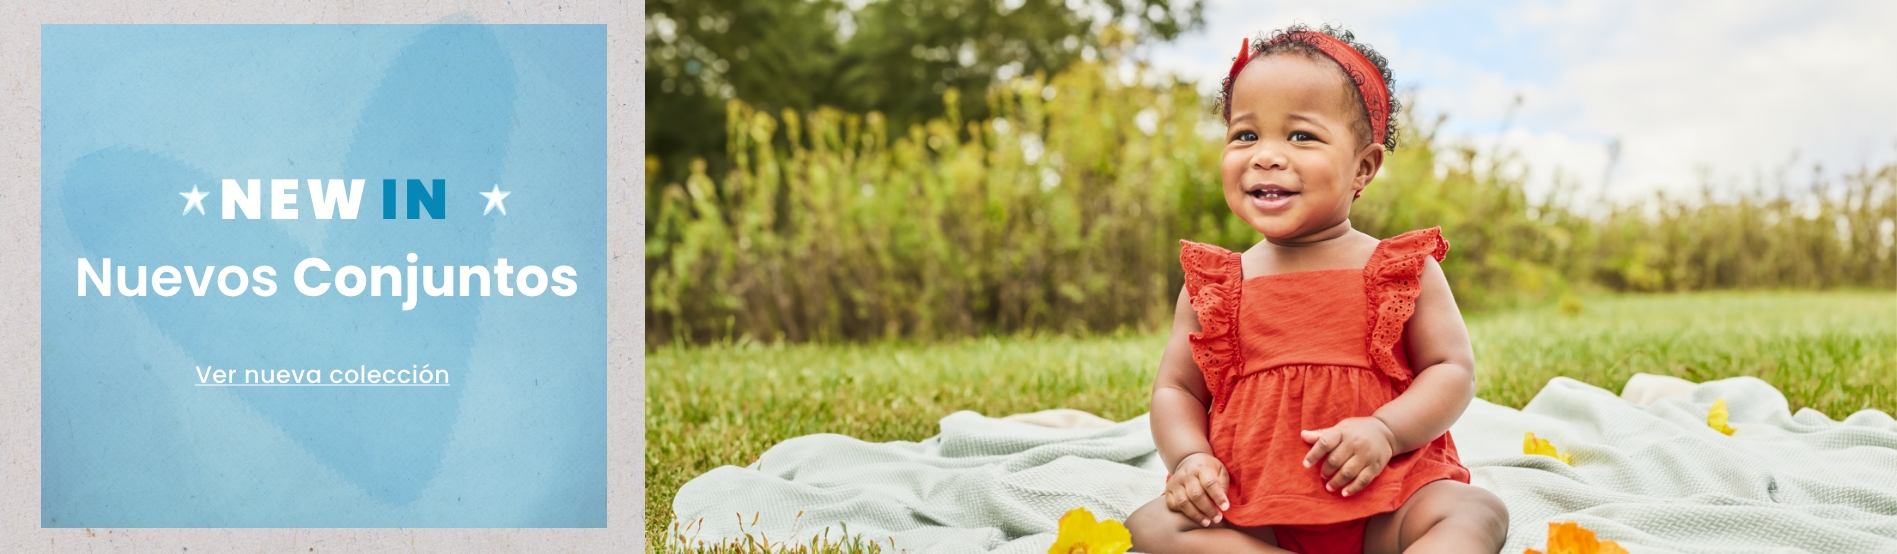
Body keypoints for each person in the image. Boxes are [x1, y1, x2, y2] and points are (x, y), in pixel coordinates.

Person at [1125, 24, 1509, 554]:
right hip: (1257, 506)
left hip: (1387, 499)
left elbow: (1452, 371)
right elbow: (1177, 391)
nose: (1266, 155)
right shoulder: (1214, 287)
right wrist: (1190, 458)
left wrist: (1386, 431)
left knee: (1475, 511)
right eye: (1245, 134)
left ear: (1363, 167)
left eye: (1301, 135)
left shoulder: (1398, 269)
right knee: (1150, 526)